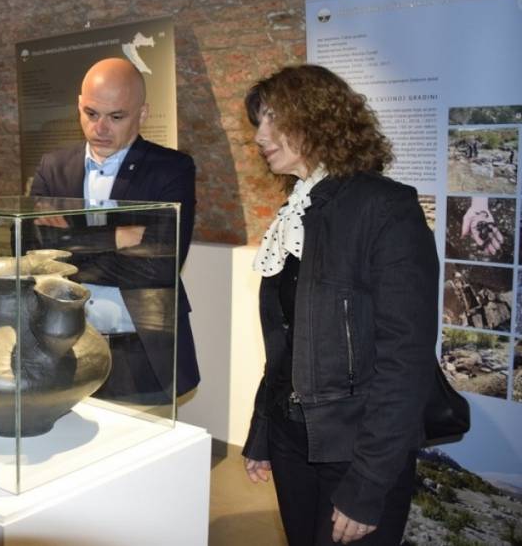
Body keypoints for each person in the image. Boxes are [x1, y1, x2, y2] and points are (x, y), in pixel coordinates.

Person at [242, 64, 438, 545]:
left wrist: (369, 482)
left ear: (319, 119)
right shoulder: (296, 211)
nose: (260, 135)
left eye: (273, 118)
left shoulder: (384, 208)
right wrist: (263, 431)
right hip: (292, 439)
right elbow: (285, 342)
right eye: (259, 121)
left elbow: (405, 359)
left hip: (357, 449)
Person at [29, 57, 199, 402]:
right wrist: (118, 238)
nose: (100, 128)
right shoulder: (53, 166)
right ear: (79, 104)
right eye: (91, 113)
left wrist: (70, 244)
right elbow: (34, 255)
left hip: (141, 345)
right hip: (65, 345)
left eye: (116, 117)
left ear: (143, 113)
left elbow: (159, 266)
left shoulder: (171, 169)